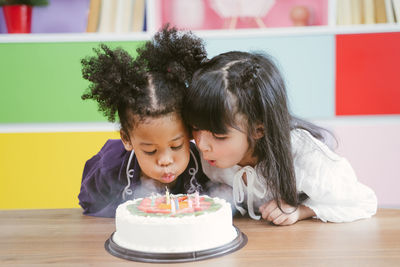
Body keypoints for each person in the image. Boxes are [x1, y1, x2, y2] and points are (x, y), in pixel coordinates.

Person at [183, 50, 377, 225]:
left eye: (219, 135)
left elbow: (362, 201)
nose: (202, 144)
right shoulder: (205, 155)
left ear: (259, 129)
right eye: (195, 128)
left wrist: (301, 211)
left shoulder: (302, 155)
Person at [78, 26, 209, 218]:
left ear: (190, 130)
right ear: (127, 139)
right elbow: (89, 204)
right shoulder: (109, 168)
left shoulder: (206, 167)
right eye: (150, 150)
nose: (165, 161)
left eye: (176, 146)